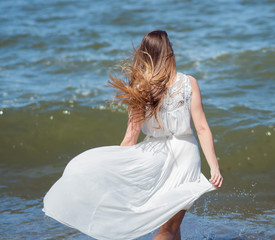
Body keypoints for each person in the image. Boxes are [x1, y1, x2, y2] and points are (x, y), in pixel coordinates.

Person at [43, 30, 223, 240]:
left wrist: (118, 173)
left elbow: (130, 138)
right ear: (169, 52)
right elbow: (201, 128)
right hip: (185, 155)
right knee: (169, 228)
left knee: (171, 228)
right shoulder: (188, 83)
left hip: (153, 157)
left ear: (145, 54)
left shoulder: (140, 88)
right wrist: (214, 166)